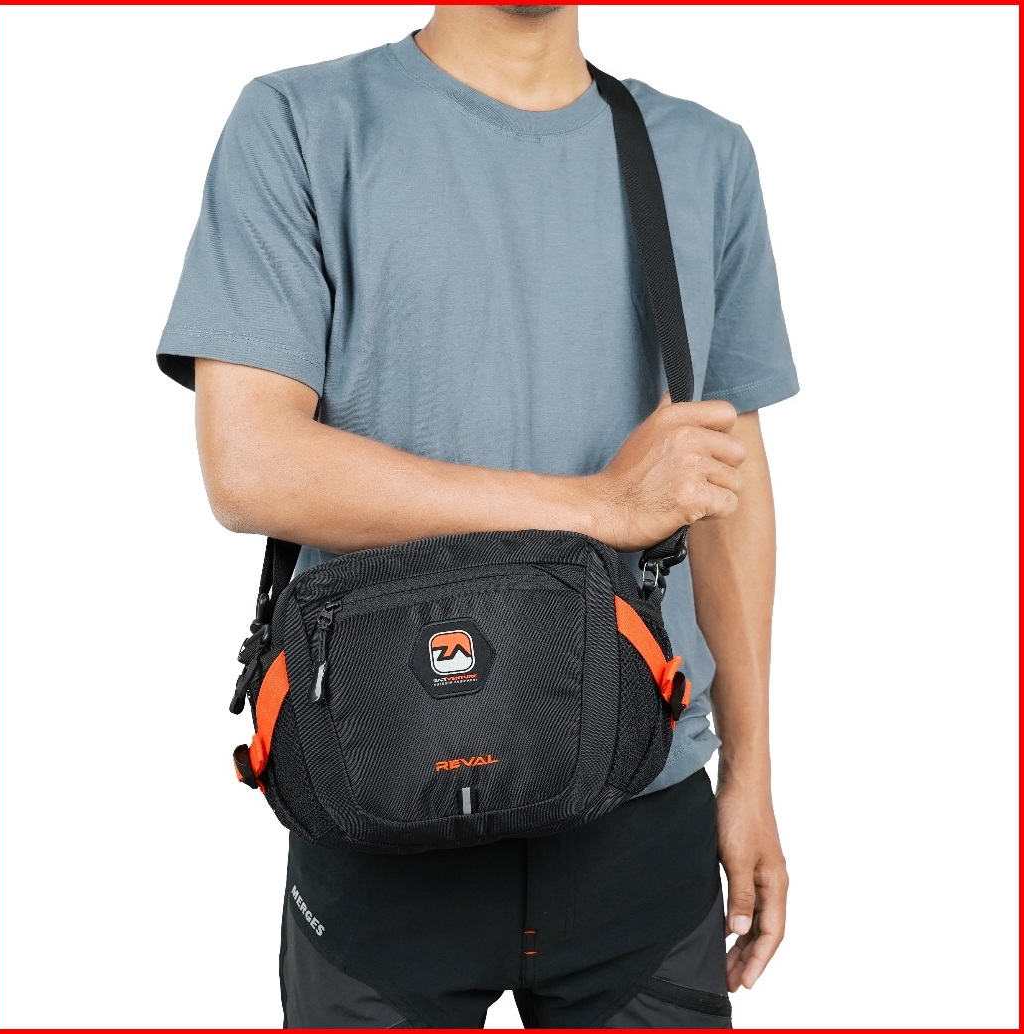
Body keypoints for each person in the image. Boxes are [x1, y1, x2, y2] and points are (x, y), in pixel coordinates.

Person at [158, 5, 797, 1028]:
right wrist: (594, 507)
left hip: (639, 805)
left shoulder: (702, 156)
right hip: (376, 795)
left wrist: (751, 772)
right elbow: (249, 465)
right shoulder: (301, 123)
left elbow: (722, 481)